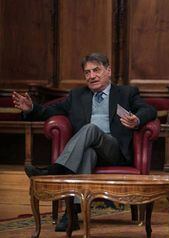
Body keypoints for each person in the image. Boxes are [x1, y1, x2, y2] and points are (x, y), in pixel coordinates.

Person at [12, 52, 157, 231]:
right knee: (88, 152)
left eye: (96, 70)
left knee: (90, 128)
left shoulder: (126, 93)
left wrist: (137, 120)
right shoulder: (77, 95)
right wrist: (31, 108)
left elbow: (149, 110)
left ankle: (56, 170)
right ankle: (72, 213)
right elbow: (49, 111)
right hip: (88, 151)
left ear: (108, 70)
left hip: (114, 151)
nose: (92, 76)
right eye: (87, 72)